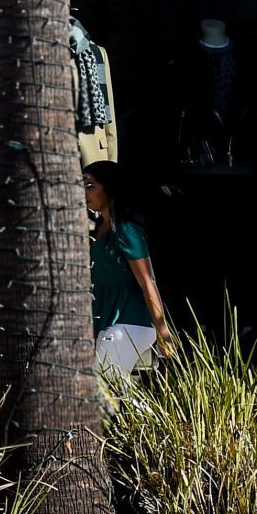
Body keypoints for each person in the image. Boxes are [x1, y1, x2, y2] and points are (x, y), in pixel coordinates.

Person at [85, 160, 174, 376]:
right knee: (114, 394)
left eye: (90, 185)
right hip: (109, 325)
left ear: (110, 188)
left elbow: (147, 281)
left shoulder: (126, 229)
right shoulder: (100, 229)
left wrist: (164, 334)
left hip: (129, 323)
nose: (83, 191)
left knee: (101, 390)